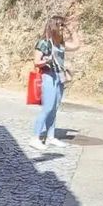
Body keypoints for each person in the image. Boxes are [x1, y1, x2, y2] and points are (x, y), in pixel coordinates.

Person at [29, 15, 80, 150]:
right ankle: (35, 138)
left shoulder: (60, 43)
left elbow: (76, 46)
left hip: (59, 77)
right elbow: (36, 62)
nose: (62, 28)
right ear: (54, 27)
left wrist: (72, 31)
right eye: (60, 25)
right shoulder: (44, 42)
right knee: (47, 108)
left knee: (54, 108)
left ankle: (50, 137)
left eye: (63, 25)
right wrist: (47, 61)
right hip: (48, 76)